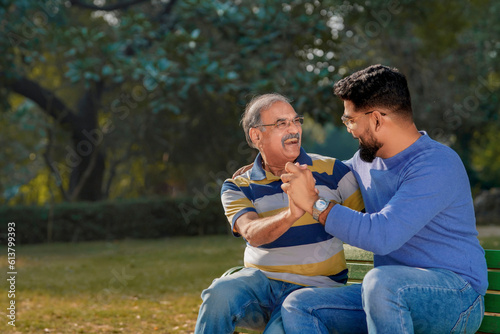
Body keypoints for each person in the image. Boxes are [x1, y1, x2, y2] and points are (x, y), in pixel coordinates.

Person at [280, 64, 488, 333]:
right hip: (387, 295)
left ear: (377, 119)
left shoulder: (436, 164)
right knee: (299, 304)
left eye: (350, 120)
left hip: (455, 296)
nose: (349, 129)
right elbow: (320, 178)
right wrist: (266, 168)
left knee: (381, 282)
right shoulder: (365, 162)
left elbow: (383, 235)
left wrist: (316, 205)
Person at [193, 93, 364, 334]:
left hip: (315, 290)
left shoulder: (333, 171)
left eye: (296, 121)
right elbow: (251, 232)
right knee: (218, 296)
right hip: (260, 283)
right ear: (256, 135)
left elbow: (367, 223)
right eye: (281, 123)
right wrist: (292, 213)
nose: (293, 129)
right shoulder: (237, 185)